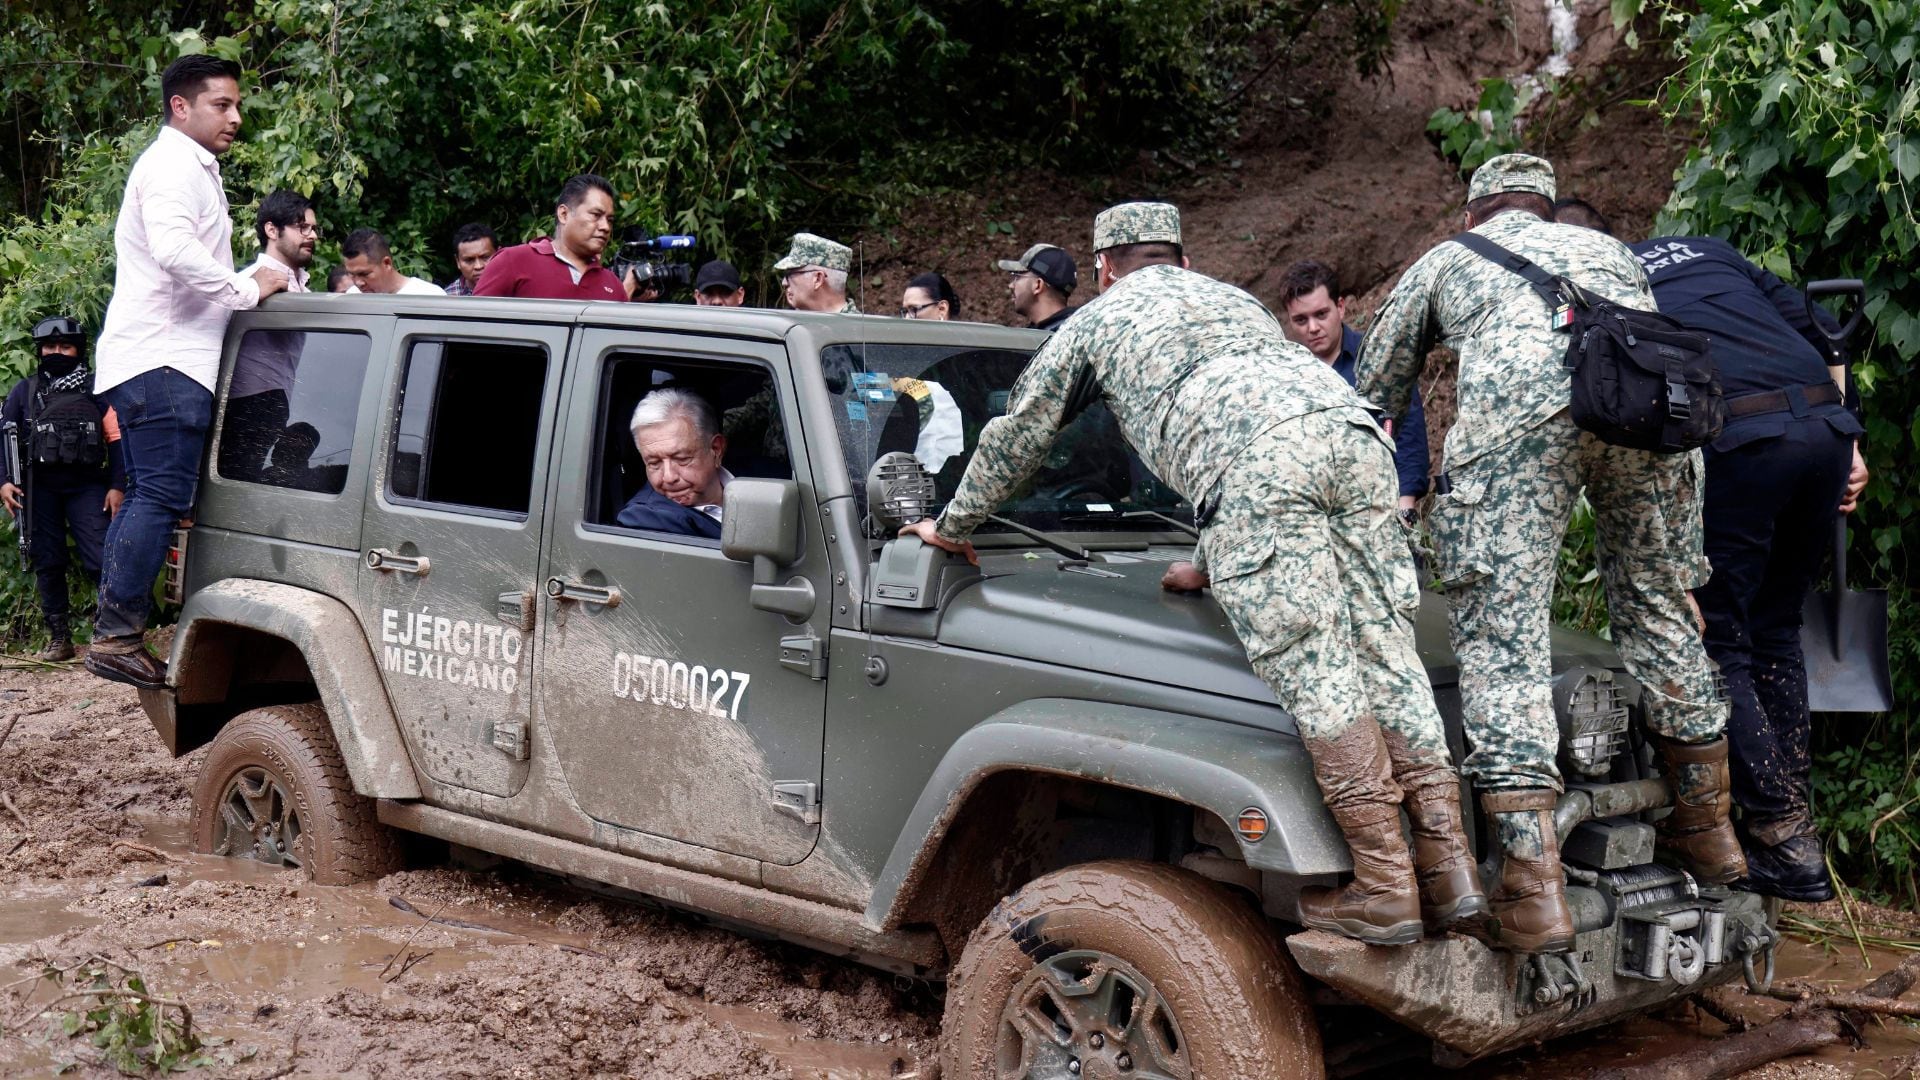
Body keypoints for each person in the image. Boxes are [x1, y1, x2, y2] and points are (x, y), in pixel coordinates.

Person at [901, 202, 1485, 946]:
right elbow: (1267, 416)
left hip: (1263, 474)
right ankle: (1451, 870)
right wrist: (1211, 561)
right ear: (1181, 258)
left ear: (1105, 268)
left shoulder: (1099, 320)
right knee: (1386, 651)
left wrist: (952, 527)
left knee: (1317, 669)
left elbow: (1021, 435)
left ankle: (1386, 889)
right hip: (1357, 437)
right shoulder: (1232, 299)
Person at [1359, 154, 1744, 953]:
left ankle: (1532, 892)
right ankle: (1709, 830)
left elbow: (1376, 387)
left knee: (1504, 636)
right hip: (1646, 418)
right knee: (1660, 609)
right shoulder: (1612, 252)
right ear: (1544, 206)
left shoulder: (1449, 259)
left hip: (1520, 429)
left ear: (1475, 215)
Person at [1625, 233, 1868, 902]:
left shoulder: (1610, 274)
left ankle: (1779, 837)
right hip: (1823, 426)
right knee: (1777, 628)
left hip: (1743, 440)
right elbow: (1816, 330)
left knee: (1721, 636)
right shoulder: (1708, 249)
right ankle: (1795, 831)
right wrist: (1853, 440)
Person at [86, 54, 289, 688]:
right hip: (164, 357)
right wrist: (245, 288)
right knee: (159, 494)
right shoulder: (174, 166)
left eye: (236, 104)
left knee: (157, 493)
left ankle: (117, 631)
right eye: (221, 105)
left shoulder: (189, 167)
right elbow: (175, 251)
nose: (235, 117)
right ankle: (115, 635)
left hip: (166, 358)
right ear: (181, 106)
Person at [2, 317, 126, 661]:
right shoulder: (24, 391)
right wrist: (4, 481)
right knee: (48, 561)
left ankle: (111, 637)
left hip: (87, 486)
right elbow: (5, 437)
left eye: (65, 346)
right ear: (40, 350)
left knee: (102, 557)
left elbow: (116, 441)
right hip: (37, 489)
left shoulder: (96, 390)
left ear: (77, 350)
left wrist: (118, 486)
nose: (57, 352)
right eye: (50, 347)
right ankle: (60, 639)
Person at [1278, 260, 1429, 513]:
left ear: (1340, 307)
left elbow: (1409, 435)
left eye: (1321, 315)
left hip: (1378, 506)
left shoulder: (1379, 360)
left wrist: (1406, 505)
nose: (1313, 328)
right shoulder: (1284, 375)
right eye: (1301, 320)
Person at [223, 191, 316, 482]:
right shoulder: (247, 284)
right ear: (271, 230)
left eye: (314, 228)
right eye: (302, 227)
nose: (312, 235)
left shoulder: (305, 291)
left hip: (277, 402)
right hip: (246, 404)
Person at [474, 175, 627, 301]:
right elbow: (472, 327)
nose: (605, 227)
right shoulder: (514, 261)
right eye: (596, 215)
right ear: (564, 214)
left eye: (610, 220)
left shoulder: (613, 286)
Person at [616, 388, 731, 538]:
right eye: (654, 463)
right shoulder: (647, 520)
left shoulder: (764, 474)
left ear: (716, 449)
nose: (669, 477)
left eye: (682, 459)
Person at [999, 243, 1078, 330]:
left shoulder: (1065, 334)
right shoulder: (1076, 330)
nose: (1011, 285)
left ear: (1038, 285)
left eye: (1018, 277)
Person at [341, 229, 445, 295]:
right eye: (352, 274)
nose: (358, 283)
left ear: (387, 263)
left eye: (364, 274)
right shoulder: (352, 297)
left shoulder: (428, 295)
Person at [774, 233, 858, 313]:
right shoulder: (796, 323)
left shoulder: (857, 327)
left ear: (818, 279)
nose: (784, 283)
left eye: (790, 274)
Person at [445, 222, 497, 295]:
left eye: (485, 257)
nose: (478, 266)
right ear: (458, 261)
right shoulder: (447, 299)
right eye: (469, 260)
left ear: (499, 254)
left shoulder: (514, 290)